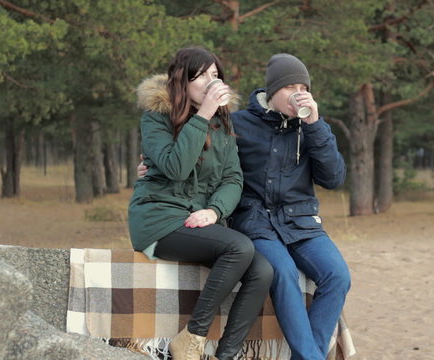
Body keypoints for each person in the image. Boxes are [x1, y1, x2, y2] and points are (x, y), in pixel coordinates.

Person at [138, 53, 351, 360]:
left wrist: (315, 124)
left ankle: (307, 356)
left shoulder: (311, 128)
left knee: (338, 276)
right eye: (289, 86)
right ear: (272, 90)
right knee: (284, 273)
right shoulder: (237, 123)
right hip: (255, 221)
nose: (297, 93)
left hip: (302, 222)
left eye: (303, 86)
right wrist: (149, 166)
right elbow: (197, 157)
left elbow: (334, 178)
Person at [128, 47, 273, 360]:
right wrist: (203, 114)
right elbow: (176, 167)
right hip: (159, 220)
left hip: (197, 220)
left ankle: (228, 354)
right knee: (239, 247)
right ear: (183, 81)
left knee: (262, 270)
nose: (212, 81)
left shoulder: (222, 125)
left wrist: (215, 210)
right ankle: (192, 338)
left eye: (216, 75)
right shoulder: (156, 118)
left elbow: (233, 179)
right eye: (203, 75)